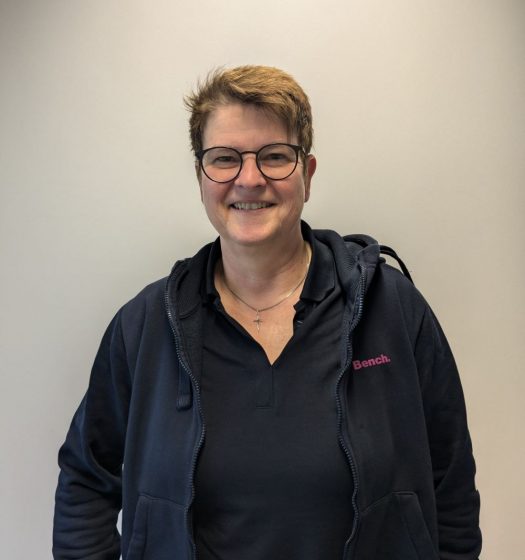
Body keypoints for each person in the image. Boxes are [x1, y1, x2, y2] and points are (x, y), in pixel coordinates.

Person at [53, 65, 481, 560]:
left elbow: (451, 482)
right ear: (201, 177)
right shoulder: (145, 326)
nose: (250, 179)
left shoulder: (393, 310)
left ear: (307, 174)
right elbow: (85, 479)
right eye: (224, 159)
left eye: (275, 156)